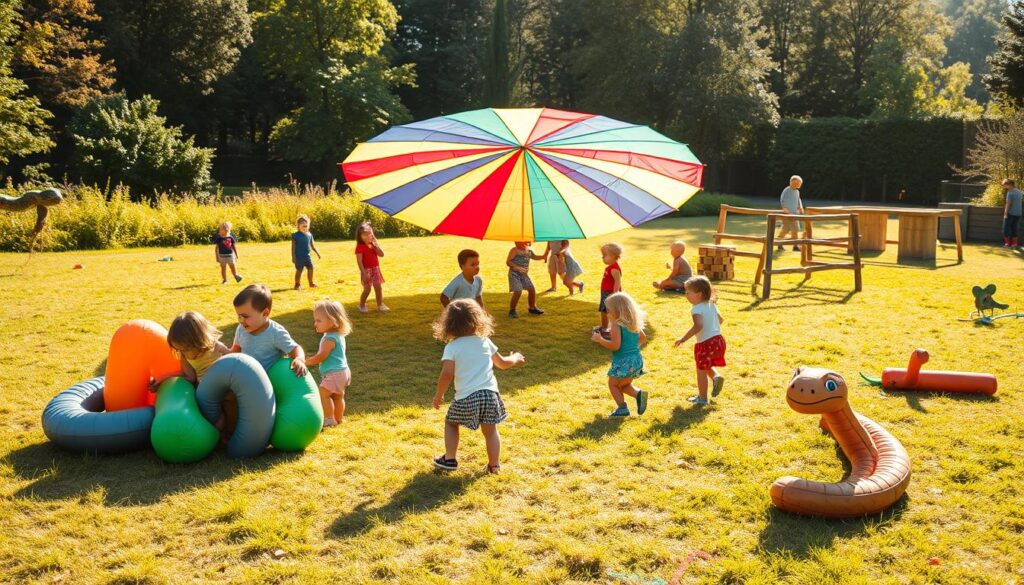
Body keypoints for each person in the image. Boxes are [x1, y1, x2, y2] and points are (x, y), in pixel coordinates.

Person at [431, 299, 525, 473]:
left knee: (451, 423)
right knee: (490, 431)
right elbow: (503, 363)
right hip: (490, 396)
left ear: (448, 324)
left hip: (467, 397)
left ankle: (449, 459)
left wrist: (438, 396)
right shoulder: (484, 341)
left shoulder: (452, 347)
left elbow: (447, 374)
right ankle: (494, 466)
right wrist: (516, 358)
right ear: (478, 320)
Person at [590, 292, 648, 417]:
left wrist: (600, 340)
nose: (607, 313)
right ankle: (639, 394)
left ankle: (622, 409)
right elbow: (643, 337)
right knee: (624, 384)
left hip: (623, 362)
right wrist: (632, 349)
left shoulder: (616, 325)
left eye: (609, 310)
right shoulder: (632, 321)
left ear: (618, 310)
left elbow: (615, 346)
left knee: (613, 385)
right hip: (636, 359)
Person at [230, 284, 307, 376]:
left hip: (269, 381)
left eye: (245, 316)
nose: (241, 320)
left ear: (265, 313)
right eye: (239, 316)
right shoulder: (241, 329)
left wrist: (299, 359)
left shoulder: (276, 333)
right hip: (246, 378)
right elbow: (235, 350)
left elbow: (295, 348)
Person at [673, 276, 726, 406]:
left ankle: (702, 398)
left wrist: (683, 338)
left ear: (699, 294)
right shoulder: (712, 304)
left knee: (700, 370)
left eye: (688, 292)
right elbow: (721, 320)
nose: (686, 295)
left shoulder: (696, 309)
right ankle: (716, 377)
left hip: (705, 343)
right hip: (718, 340)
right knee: (705, 365)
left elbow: (698, 326)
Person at [304, 300, 352, 428]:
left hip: (334, 373)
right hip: (343, 372)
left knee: (324, 394)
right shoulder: (337, 335)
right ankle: (339, 418)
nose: (315, 324)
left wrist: (305, 362)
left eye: (319, 320)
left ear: (332, 321)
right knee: (338, 396)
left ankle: (329, 419)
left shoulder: (328, 339)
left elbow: (321, 356)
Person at [165, 311, 231, 386]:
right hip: (206, 387)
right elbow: (191, 377)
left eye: (185, 350)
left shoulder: (215, 346)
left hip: (224, 379)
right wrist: (167, 378)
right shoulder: (184, 357)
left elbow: (233, 358)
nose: (182, 352)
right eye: (178, 349)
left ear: (197, 342)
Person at [506, 241, 545, 318]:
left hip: (524, 275)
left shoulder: (528, 250)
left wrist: (543, 256)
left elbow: (534, 257)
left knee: (531, 289)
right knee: (518, 291)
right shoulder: (514, 250)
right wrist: (516, 267)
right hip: (514, 274)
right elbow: (508, 262)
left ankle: (532, 307)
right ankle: (512, 310)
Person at [355, 222, 388, 312]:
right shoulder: (359, 247)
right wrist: (363, 272)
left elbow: (382, 255)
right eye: (365, 234)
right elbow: (359, 261)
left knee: (378, 287)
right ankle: (362, 305)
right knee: (367, 289)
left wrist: (376, 246)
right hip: (366, 270)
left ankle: (380, 305)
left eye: (369, 233)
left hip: (375, 269)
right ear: (360, 236)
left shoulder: (373, 245)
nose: (368, 236)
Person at [595, 242, 623, 338]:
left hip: (610, 293)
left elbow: (617, 282)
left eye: (604, 255)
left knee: (607, 311)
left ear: (613, 256)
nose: (602, 258)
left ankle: (609, 329)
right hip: (606, 292)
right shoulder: (610, 267)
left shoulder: (614, 268)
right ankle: (604, 327)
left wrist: (614, 294)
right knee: (604, 311)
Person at [292, 215, 321, 290]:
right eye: (303, 226)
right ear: (298, 226)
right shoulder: (295, 236)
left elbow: (312, 245)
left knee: (311, 267)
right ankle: (297, 284)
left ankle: (311, 283)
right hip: (299, 257)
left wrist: (317, 253)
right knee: (299, 270)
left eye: (306, 226)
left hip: (307, 256)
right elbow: (293, 248)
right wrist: (293, 257)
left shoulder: (309, 235)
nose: (305, 228)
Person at [778, 175, 805, 251]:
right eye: (797, 183)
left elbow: (798, 200)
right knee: (786, 229)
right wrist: (784, 208)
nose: (798, 185)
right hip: (787, 213)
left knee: (795, 229)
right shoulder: (787, 190)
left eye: (799, 183)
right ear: (791, 182)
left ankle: (795, 245)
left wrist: (800, 207)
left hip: (795, 214)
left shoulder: (797, 192)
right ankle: (779, 243)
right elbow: (782, 199)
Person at [1002, 178, 1022, 248]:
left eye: (1005, 185)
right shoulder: (1019, 192)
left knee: (1006, 228)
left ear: (1010, 185)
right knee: (1015, 228)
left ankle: (1007, 244)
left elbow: (1008, 204)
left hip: (1010, 213)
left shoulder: (1010, 192)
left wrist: (1005, 213)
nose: (1004, 187)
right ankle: (1015, 244)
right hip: (1018, 214)